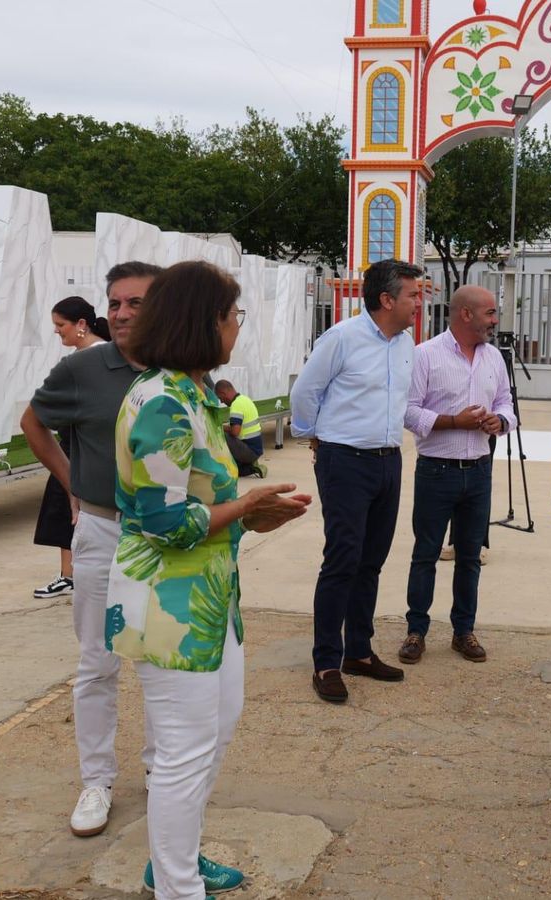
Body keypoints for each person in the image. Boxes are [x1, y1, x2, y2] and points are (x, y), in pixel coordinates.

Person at [107, 261, 310, 897]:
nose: (237, 327)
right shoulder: (164, 403)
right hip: (170, 607)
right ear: (205, 322)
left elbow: (203, 505)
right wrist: (244, 508)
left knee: (211, 737)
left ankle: (176, 861)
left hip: (209, 598)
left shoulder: (196, 394)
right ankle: (177, 886)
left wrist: (254, 518)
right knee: (183, 755)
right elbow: (164, 521)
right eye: (233, 316)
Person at [20, 261, 161, 837]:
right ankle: (96, 781)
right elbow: (33, 423)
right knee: (97, 664)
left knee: (160, 662)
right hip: (102, 532)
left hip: (164, 539)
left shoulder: (181, 370)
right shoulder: (81, 369)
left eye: (136, 303)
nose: (123, 313)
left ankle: (162, 771)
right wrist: (71, 480)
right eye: (116, 303)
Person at [290, 258, 424, 703]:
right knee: (342, 560)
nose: (419, 302)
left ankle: (359, 651)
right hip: (345, 461)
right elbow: (305, 393)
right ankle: (327, 660)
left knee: (371, 560)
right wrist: (315, 438)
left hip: (388, 462)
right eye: (412, 294)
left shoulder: (405, 344)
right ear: (387, 300)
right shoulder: (342, 338)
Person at [398, 284, 513, 665]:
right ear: (466, 314)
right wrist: (453, 422)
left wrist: (500, 421)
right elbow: (409, 412)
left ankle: (463, 631)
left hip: (479, 472)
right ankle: (416, 631)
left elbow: (506, 403)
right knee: (425, 553)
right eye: (490, 314)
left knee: (469, 557)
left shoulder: (494, 358)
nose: (495, 321)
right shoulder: (425, 355)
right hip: (436, 472)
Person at [31, 297, 111, 599]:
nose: (56, 331)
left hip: (85, 450)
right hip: (78, 447)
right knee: (67, 510)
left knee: (74, 510)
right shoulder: (93, 356)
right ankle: (70, 574)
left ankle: (73, 575)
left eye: (60, 325)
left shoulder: (93, 358)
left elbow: (35, 419)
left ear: (81, 324)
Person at [213, 379, 266, 478]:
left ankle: (251, 468)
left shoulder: (236, 405)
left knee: (221, 433)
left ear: (223, 393)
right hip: (255, 448)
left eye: (221, 398)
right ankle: (246, 465)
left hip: (249, 451)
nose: (221, 401)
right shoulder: (245, 399)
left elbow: (235, 432)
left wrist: (219, 426)